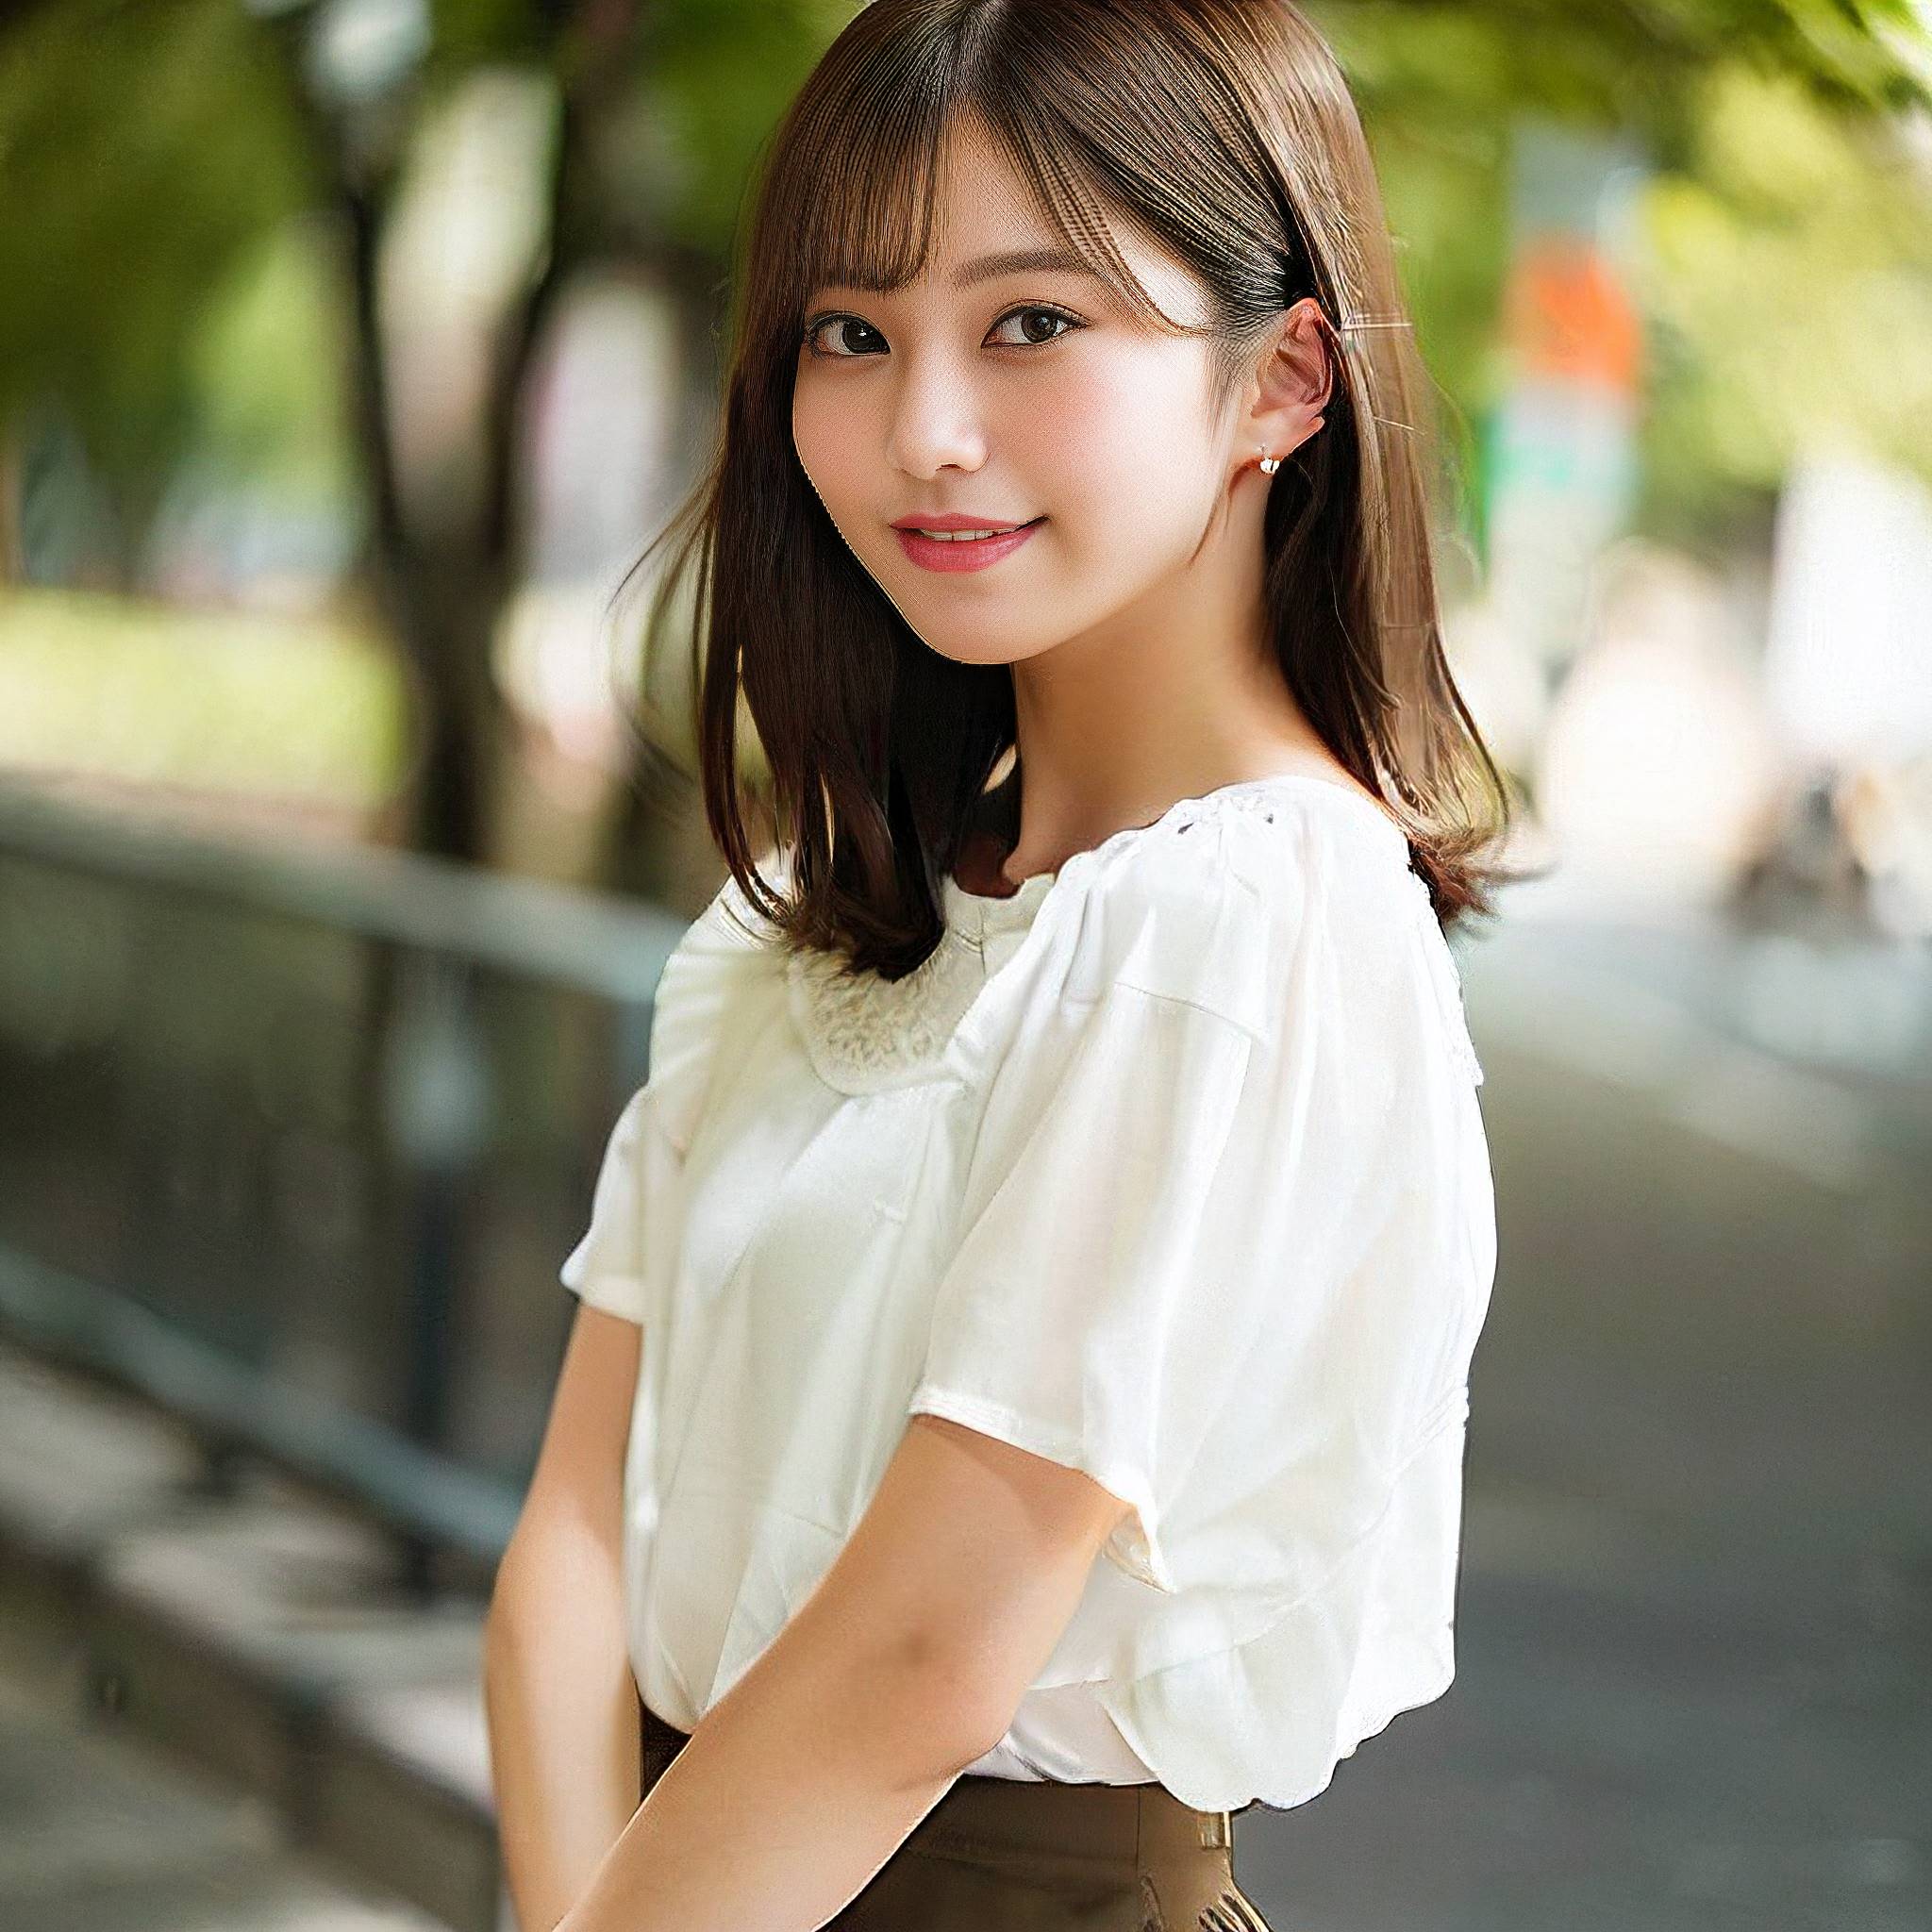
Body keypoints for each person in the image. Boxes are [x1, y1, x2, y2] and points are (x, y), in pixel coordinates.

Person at [485, 3, 1521, 1927]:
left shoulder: (1243, 921)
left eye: (1030, 323)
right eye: (849, 333)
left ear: (1283, 380)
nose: (923, 429)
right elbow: (568, 1534)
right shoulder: (803, 918)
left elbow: (922, 1668)